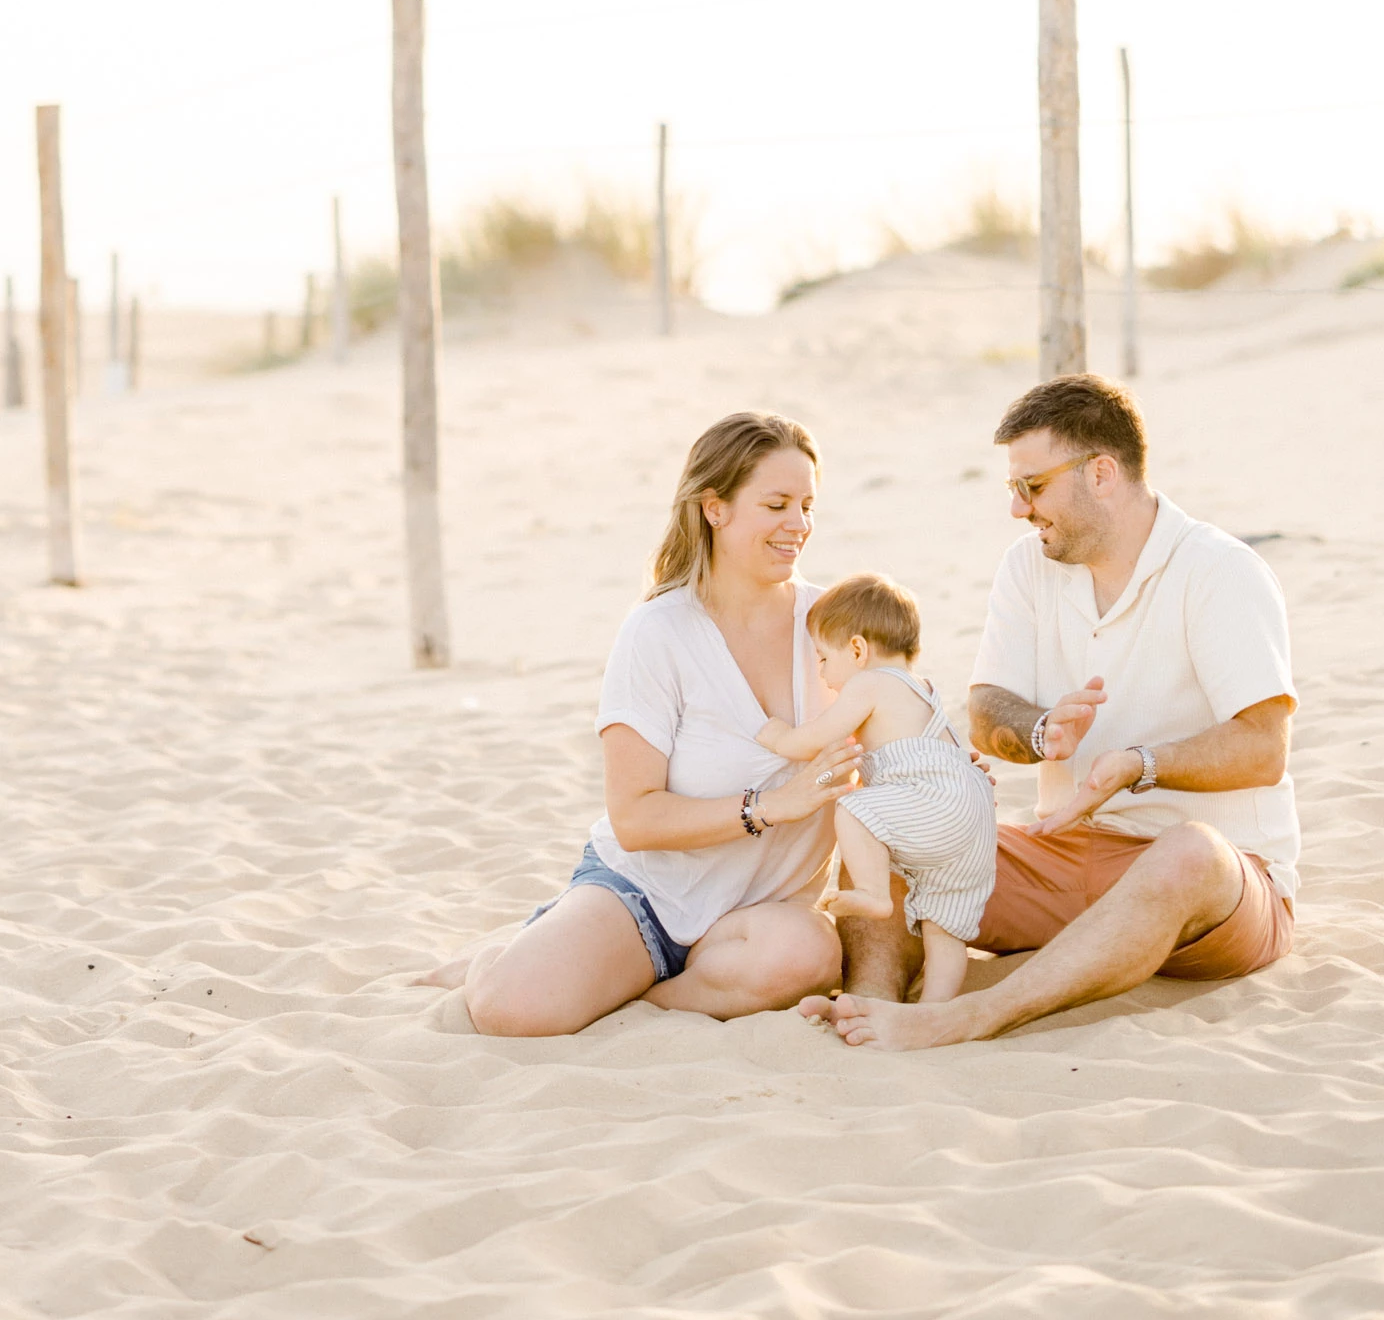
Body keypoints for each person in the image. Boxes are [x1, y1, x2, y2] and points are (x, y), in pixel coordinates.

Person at [804, 374, 1298, 1052]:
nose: (1016, 508)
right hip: (1061, 853)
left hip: (1216, 890)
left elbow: (1264, 746)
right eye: (1013, 488)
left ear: (1102, 474)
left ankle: (969, 1018)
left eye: (1031, 487)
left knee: (1190, 853)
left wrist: (1139, 766)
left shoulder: (1218, 570)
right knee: (886, 827)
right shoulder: (1028, 567)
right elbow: (986, 710)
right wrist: (1040, 732)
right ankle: (870, 1010)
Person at [452, 412, 853, 1035]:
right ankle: (503, 958)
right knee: (514, 1010)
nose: (798, 525)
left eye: (807, 504)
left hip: (760, 920)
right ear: (714, 509)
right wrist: (774, 805)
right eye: (776, 504)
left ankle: (641, 1000)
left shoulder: (834, 623)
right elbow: (634, 819)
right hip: (646, 900)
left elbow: (885, 745)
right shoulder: (658, 632)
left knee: (808, 956)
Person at [756, 572, 996, 1006]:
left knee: (854, 809)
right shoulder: (922, 689)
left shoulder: (869, 683)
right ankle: (933, 1013)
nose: (823, 673)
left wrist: (776, 737)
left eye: (824, 659)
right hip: (974, 813)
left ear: (857, 649)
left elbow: (816, 738)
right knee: (944, 925)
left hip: (936, 801)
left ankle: (871, 893)